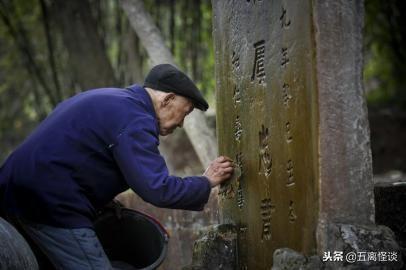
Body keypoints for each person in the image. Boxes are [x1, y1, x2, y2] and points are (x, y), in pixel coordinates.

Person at [0, 64, 234, 269]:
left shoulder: (115, 101)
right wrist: (206, 182)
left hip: (13, 187)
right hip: (50, 201)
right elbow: (157, 188)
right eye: (184, 113)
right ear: (167, 99)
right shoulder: (136, 119)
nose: (182, 123)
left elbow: (78, 157)